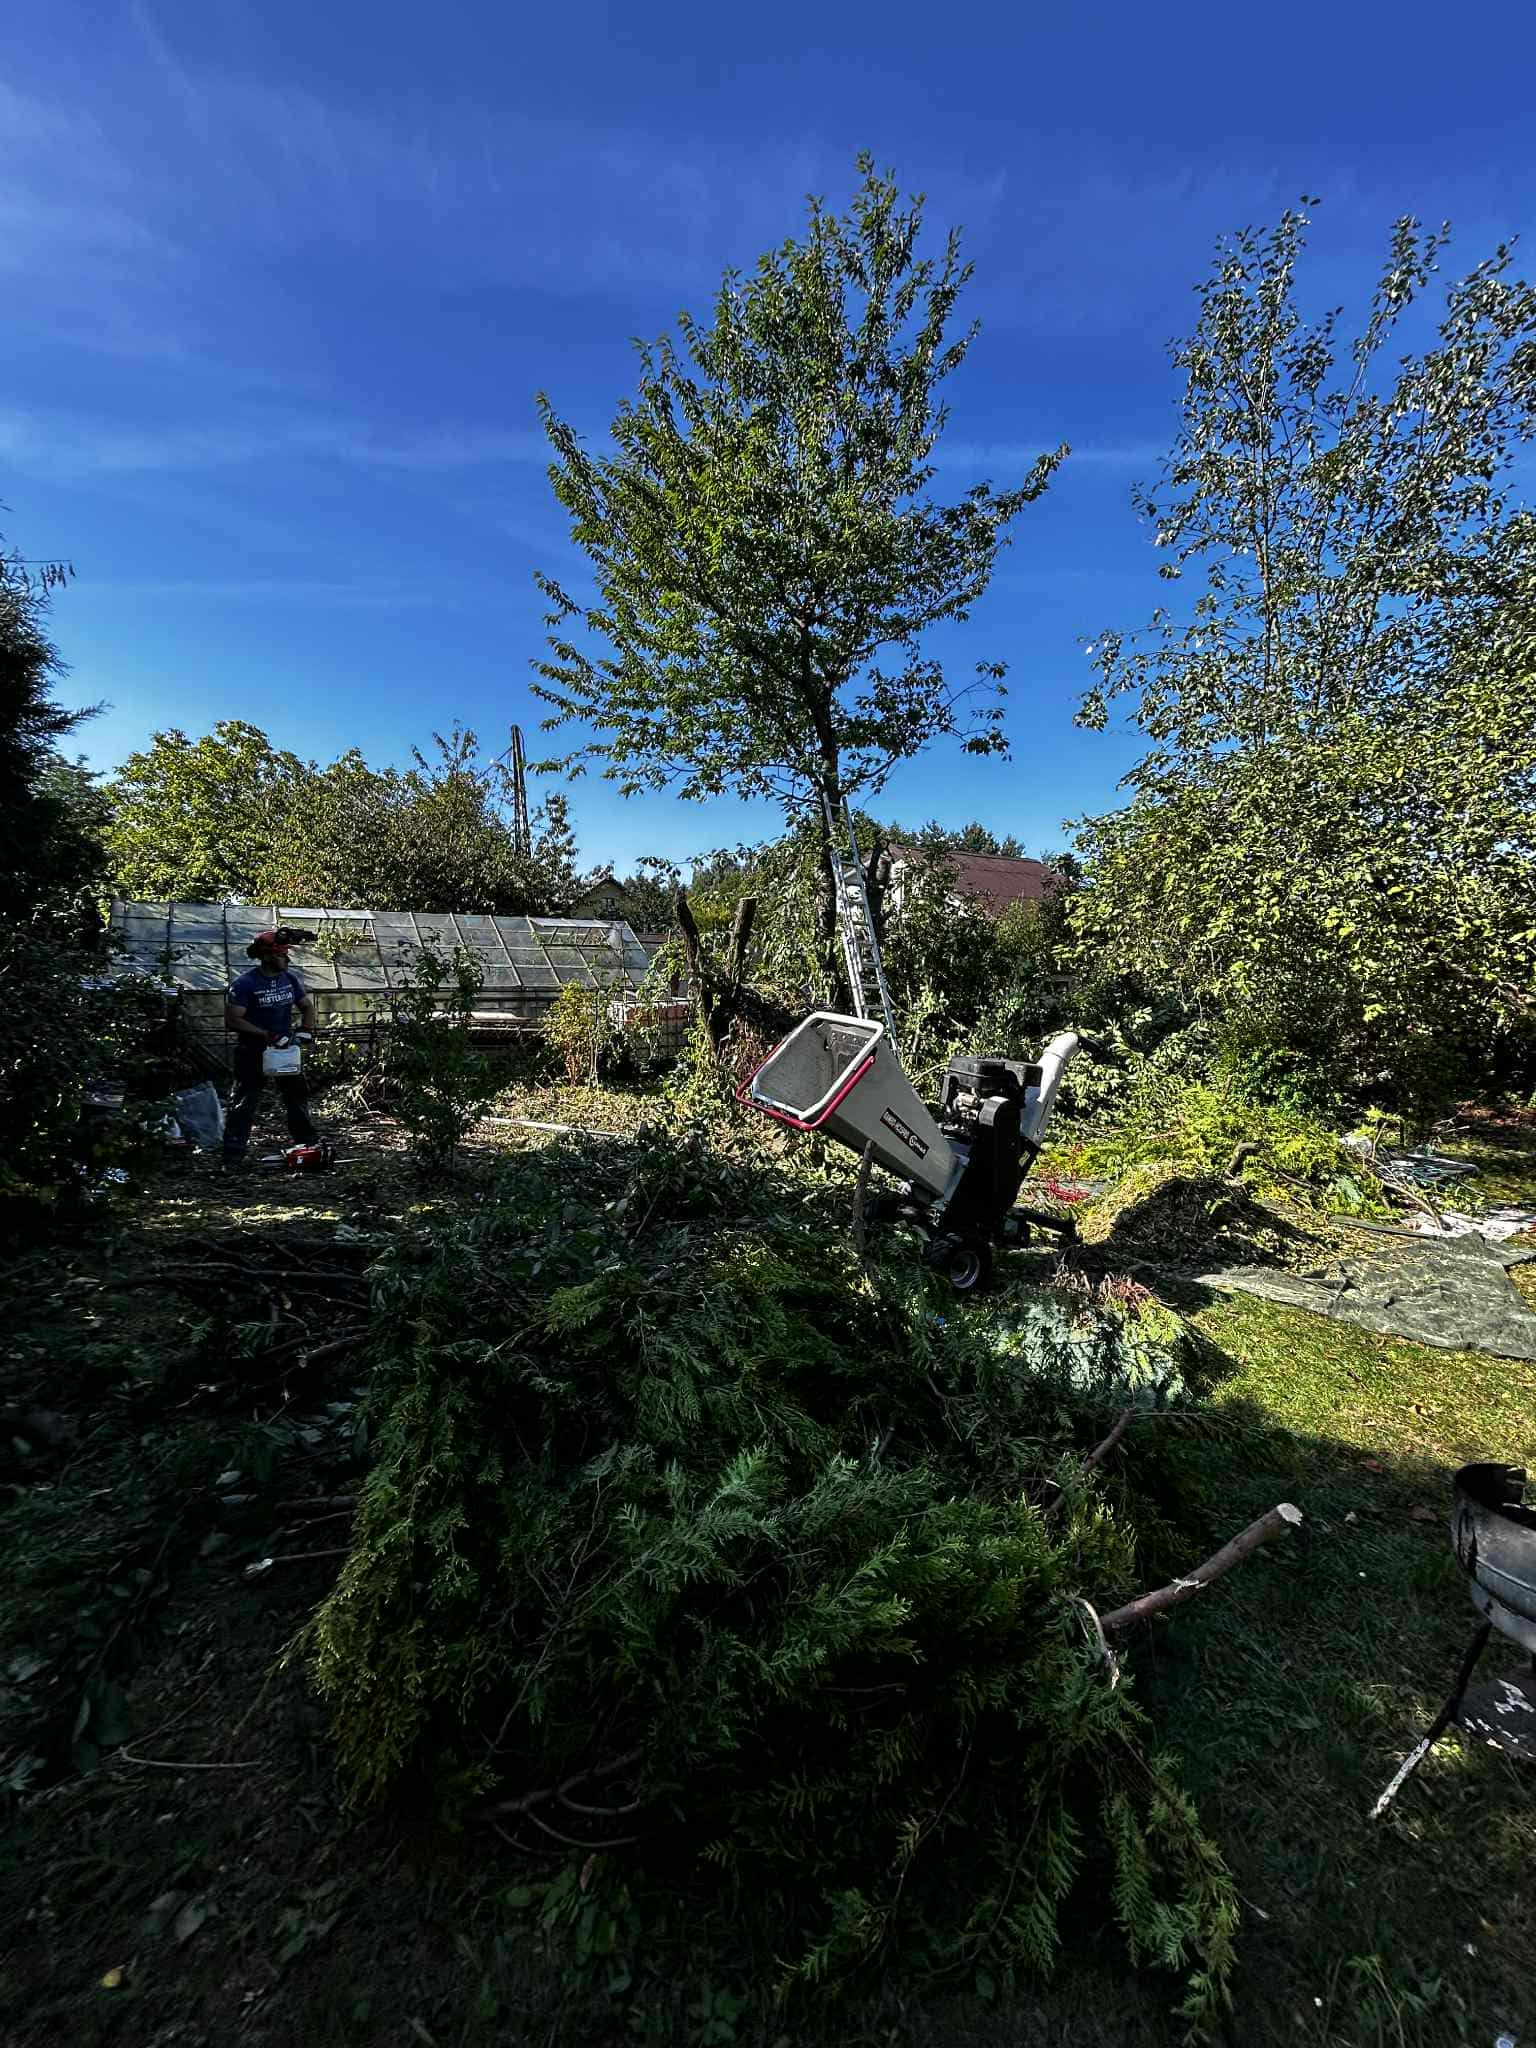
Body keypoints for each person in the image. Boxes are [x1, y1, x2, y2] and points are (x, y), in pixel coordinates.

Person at [222, 930, 322, 1166]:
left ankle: (308, 1143)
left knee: (296, 1096)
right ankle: (232, 1156)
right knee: (244, 1101)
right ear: (266, 957)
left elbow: (307, 1007)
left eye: (286, 954)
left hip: (284, 1050)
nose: (287, 959)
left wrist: (305, 1031)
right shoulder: (245, 984)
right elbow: (233, 1020)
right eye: (281, 955)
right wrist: (266, 1035)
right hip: (253, 1051)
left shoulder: (289, 979)